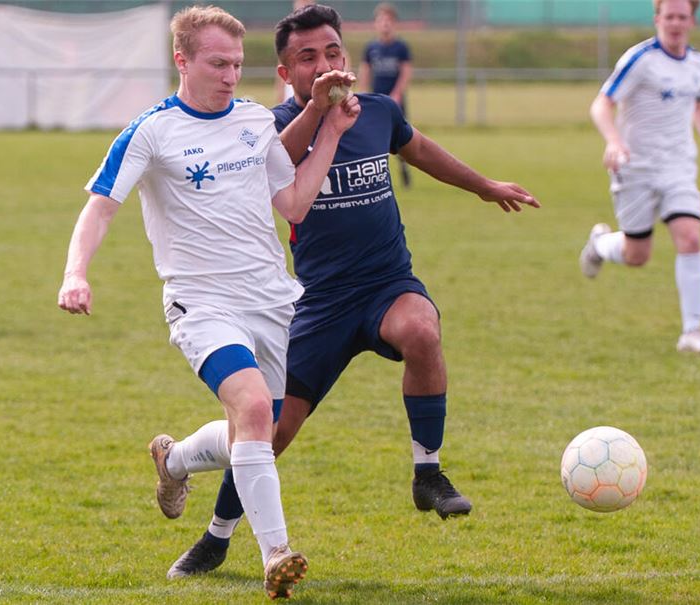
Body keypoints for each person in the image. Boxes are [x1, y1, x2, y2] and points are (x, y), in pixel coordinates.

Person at [166, 3, 540, 580]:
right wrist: (318, 114)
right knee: (271, 428)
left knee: (420, 328)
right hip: (315, 303)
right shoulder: (266, 130)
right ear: (286, 72)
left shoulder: (378, 113)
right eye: (308, 57)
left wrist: (484, 186)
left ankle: (428, 472)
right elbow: (271, 168)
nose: (325, 64)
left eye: (334, 52)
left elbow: (422, 151)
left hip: (386, 283)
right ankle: (217, 538)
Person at [56, 6, 358, 600]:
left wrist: (332, 133)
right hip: (201, 302)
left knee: (257, 430)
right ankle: (277, 554)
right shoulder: (150, 131)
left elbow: (294, 203)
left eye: (237, 65)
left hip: (271, 301)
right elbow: (100, 206)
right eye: (218, 63)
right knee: (250, 406)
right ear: (183, 61)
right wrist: (76, 273)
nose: (229, 76)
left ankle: (172, 463)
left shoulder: (252, 120)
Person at [579, 0, 700, 354]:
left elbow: (699, 104)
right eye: (669, 16)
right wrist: (614, 142)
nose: (675, 23)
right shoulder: (640, 59)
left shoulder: (699, 64)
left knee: (690, 238)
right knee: (637, 255)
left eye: (682, 17)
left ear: (693, 21)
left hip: (679, 167)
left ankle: (691, 332)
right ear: (657, 19)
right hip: (635, 168)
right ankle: (600, 244)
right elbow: (602, 103)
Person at [359, 2, 413, 187]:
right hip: (376, 100)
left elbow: (406, 71)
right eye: (381, 20)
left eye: (388, 20)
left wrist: (397, 93)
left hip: (395, 100)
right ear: (376, 23)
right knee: (376, 137)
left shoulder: (401, 47)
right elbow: (365, 70)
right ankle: (380, 174)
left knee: (400, 138)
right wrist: (364, 92)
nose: (385, 24)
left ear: (394, 23)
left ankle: (404, 168)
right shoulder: (371, 47)